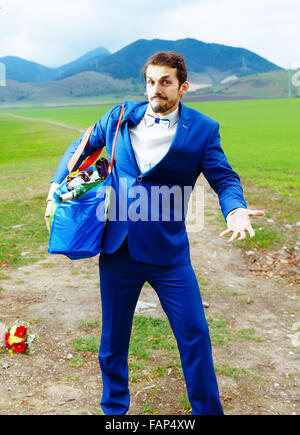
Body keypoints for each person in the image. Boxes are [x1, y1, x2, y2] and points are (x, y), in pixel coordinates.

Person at [45, 51, 264, 415]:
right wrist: (57, 187)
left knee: (194, 334)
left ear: (183, 86)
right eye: (150, 81)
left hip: (169, 255)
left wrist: (236, 210)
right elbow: (83, 147)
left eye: (165, 82)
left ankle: (207, 411)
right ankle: (114, 410)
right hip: (118, 249)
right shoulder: (119, 117)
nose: (156, 90)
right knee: (113, 340)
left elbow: (224, 177)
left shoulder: (203, 130)